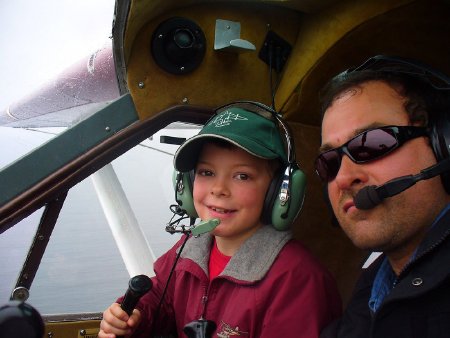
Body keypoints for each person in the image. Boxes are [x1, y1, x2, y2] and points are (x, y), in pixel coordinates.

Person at [99, 101, 342, 338]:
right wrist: (134, 316)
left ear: (278, 194)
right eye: (207, 172)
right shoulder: (189, 250)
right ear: (187, 183)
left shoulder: (297, 281)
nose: (219, 189)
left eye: (242, 176)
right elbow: (161, 295)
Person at [315, 55, 450, 337]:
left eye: (372, 143)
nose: (342, 177)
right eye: (329, 161)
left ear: (442, 144)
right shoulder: (373, 285)